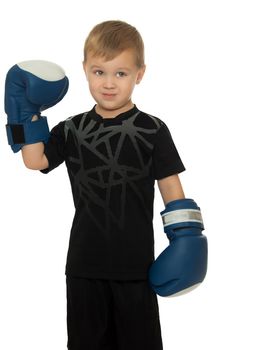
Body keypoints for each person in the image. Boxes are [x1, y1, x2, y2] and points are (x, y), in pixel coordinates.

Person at [4, 20, 207, 350]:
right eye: (99, 72)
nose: (109, 83)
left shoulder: (153, 129)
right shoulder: (71, 128)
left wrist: (187, 240)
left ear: (139, 74)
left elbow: (170, 186)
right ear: (84, 69)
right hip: (85, 264)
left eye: (120, 73)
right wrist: (25, 112)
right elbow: (35, 160)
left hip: (137, 266)